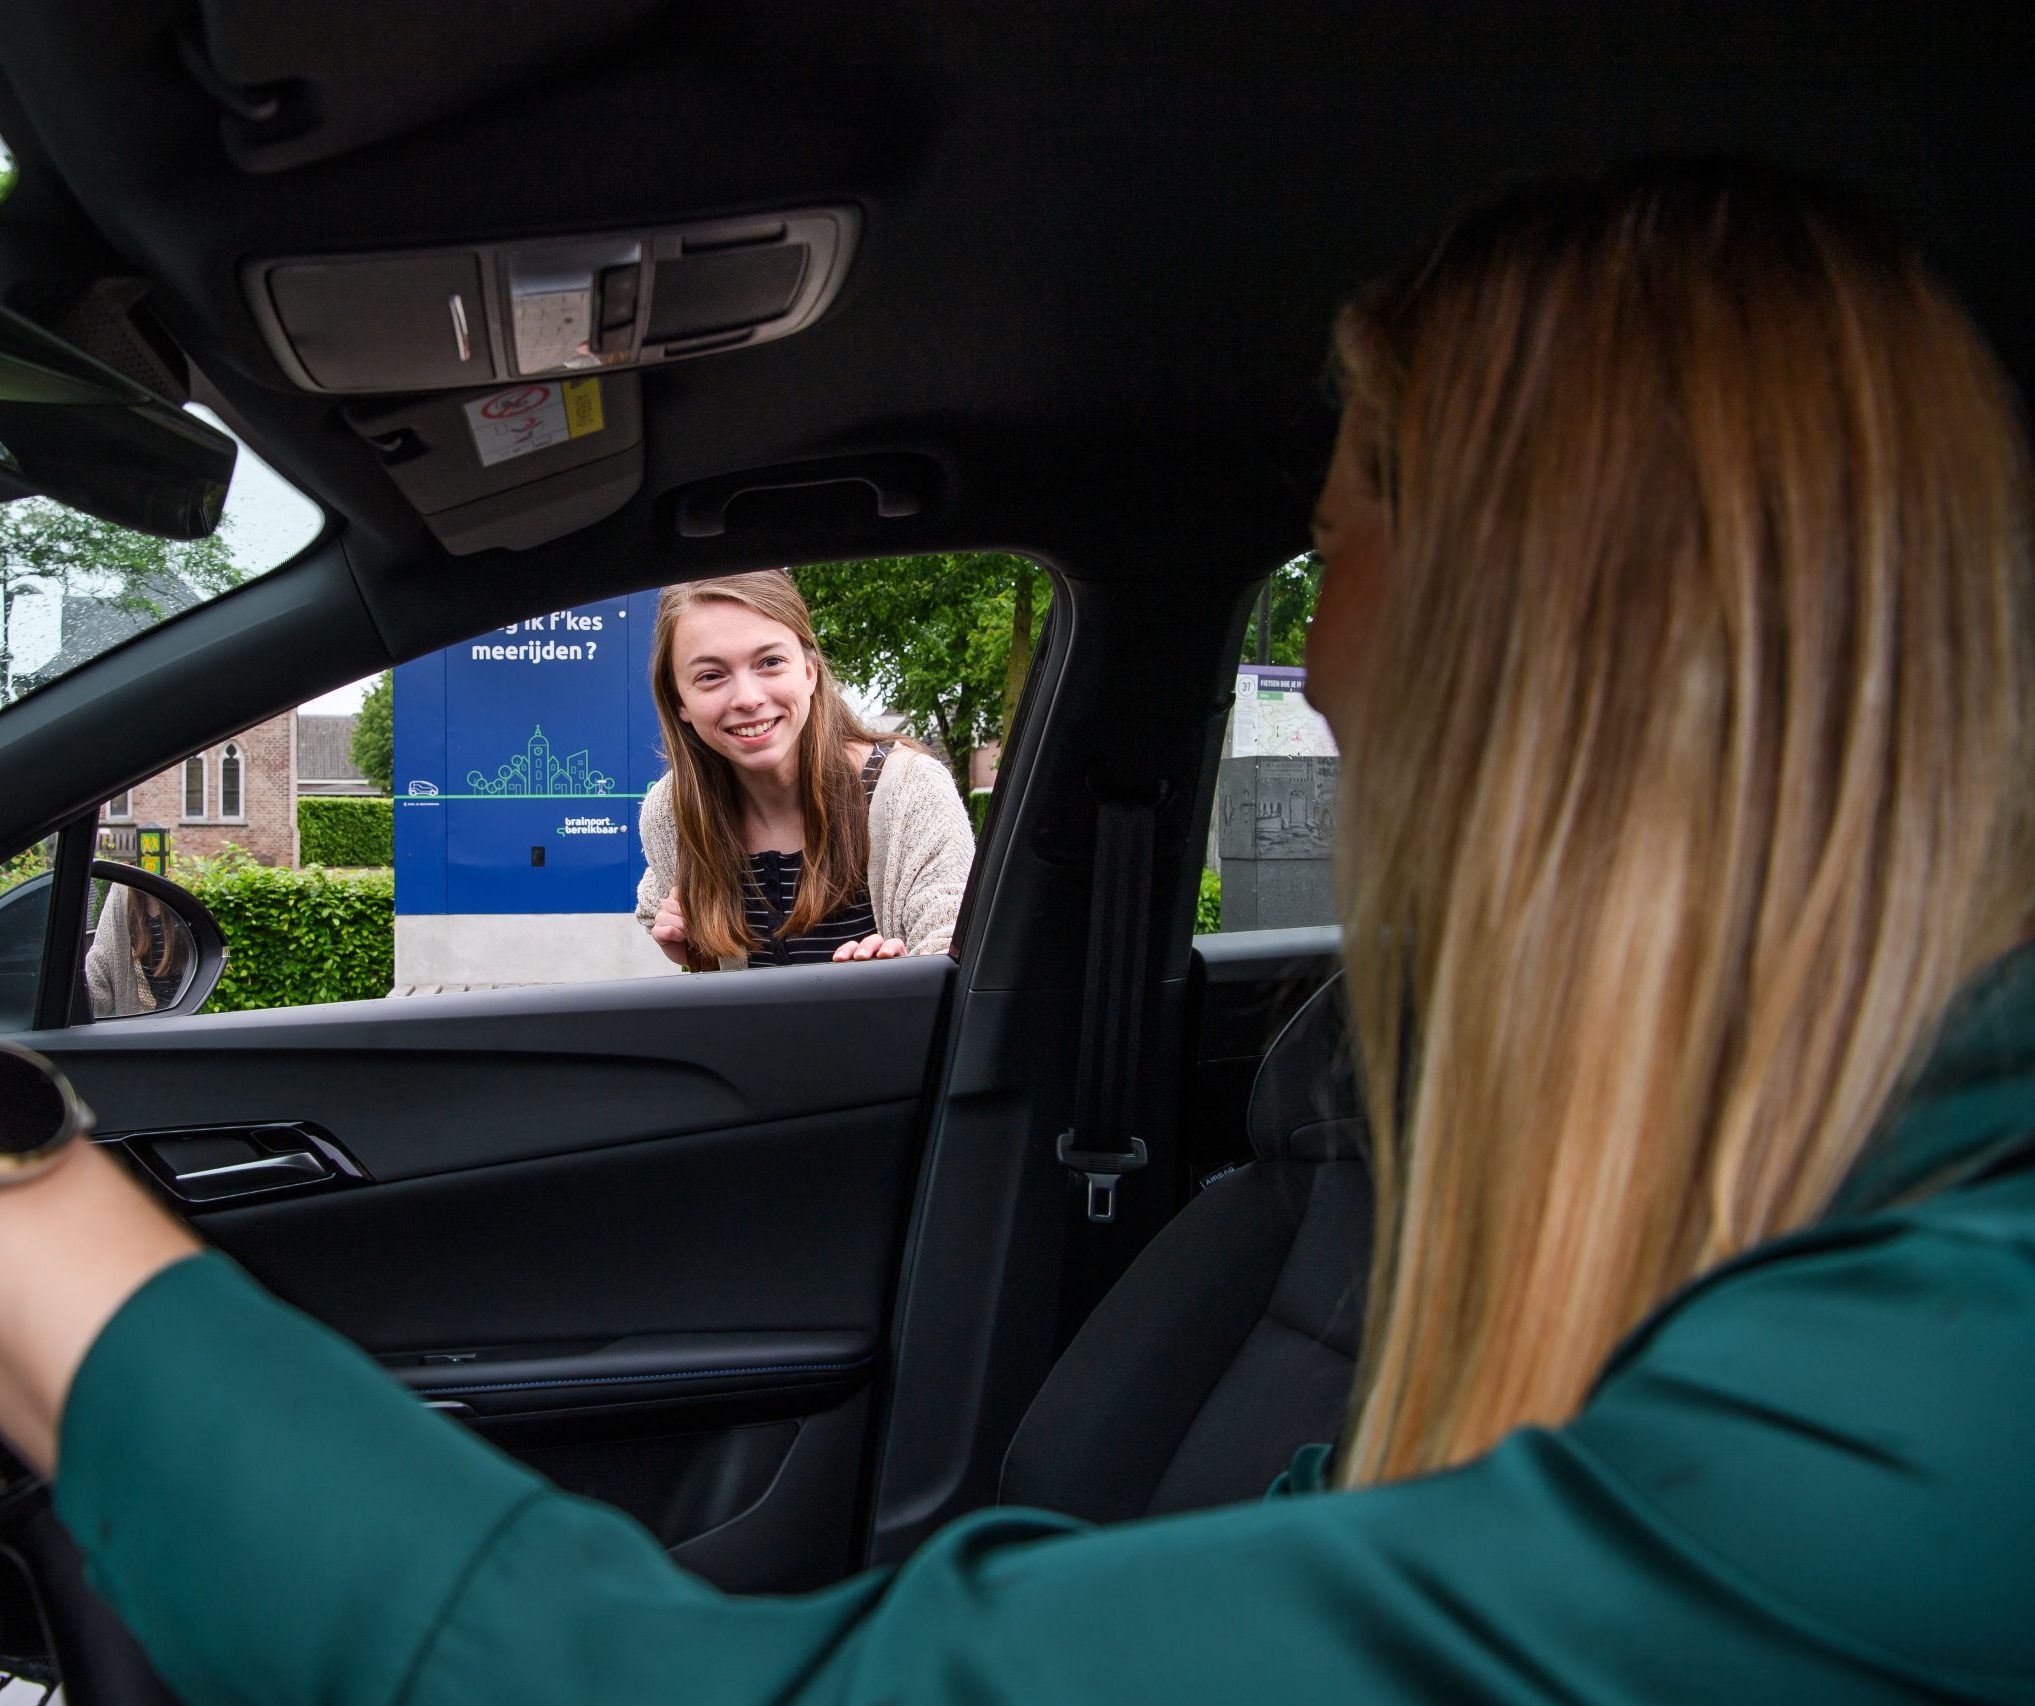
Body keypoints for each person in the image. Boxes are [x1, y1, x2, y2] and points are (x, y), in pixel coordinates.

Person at [0, 158, 2032, 1702]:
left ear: (1563, 631)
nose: (1313, 661)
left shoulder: (1940, 1419)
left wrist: (44, 1228)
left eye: (1337, 558)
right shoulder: (1790, 1242)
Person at [634, 570, 976, 969]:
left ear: (810, 671)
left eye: (770, 662)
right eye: (710, 676)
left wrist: (910, 975)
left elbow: (957, 953)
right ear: (680, 702)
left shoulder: (910, 789)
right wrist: (694, 951)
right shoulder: (672, 811)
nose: (747, 698)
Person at [82, 880, 191, 1019]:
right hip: (151, 1025)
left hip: (192, 1020)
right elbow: (99, 963)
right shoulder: (121, 894)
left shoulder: (192, 886)